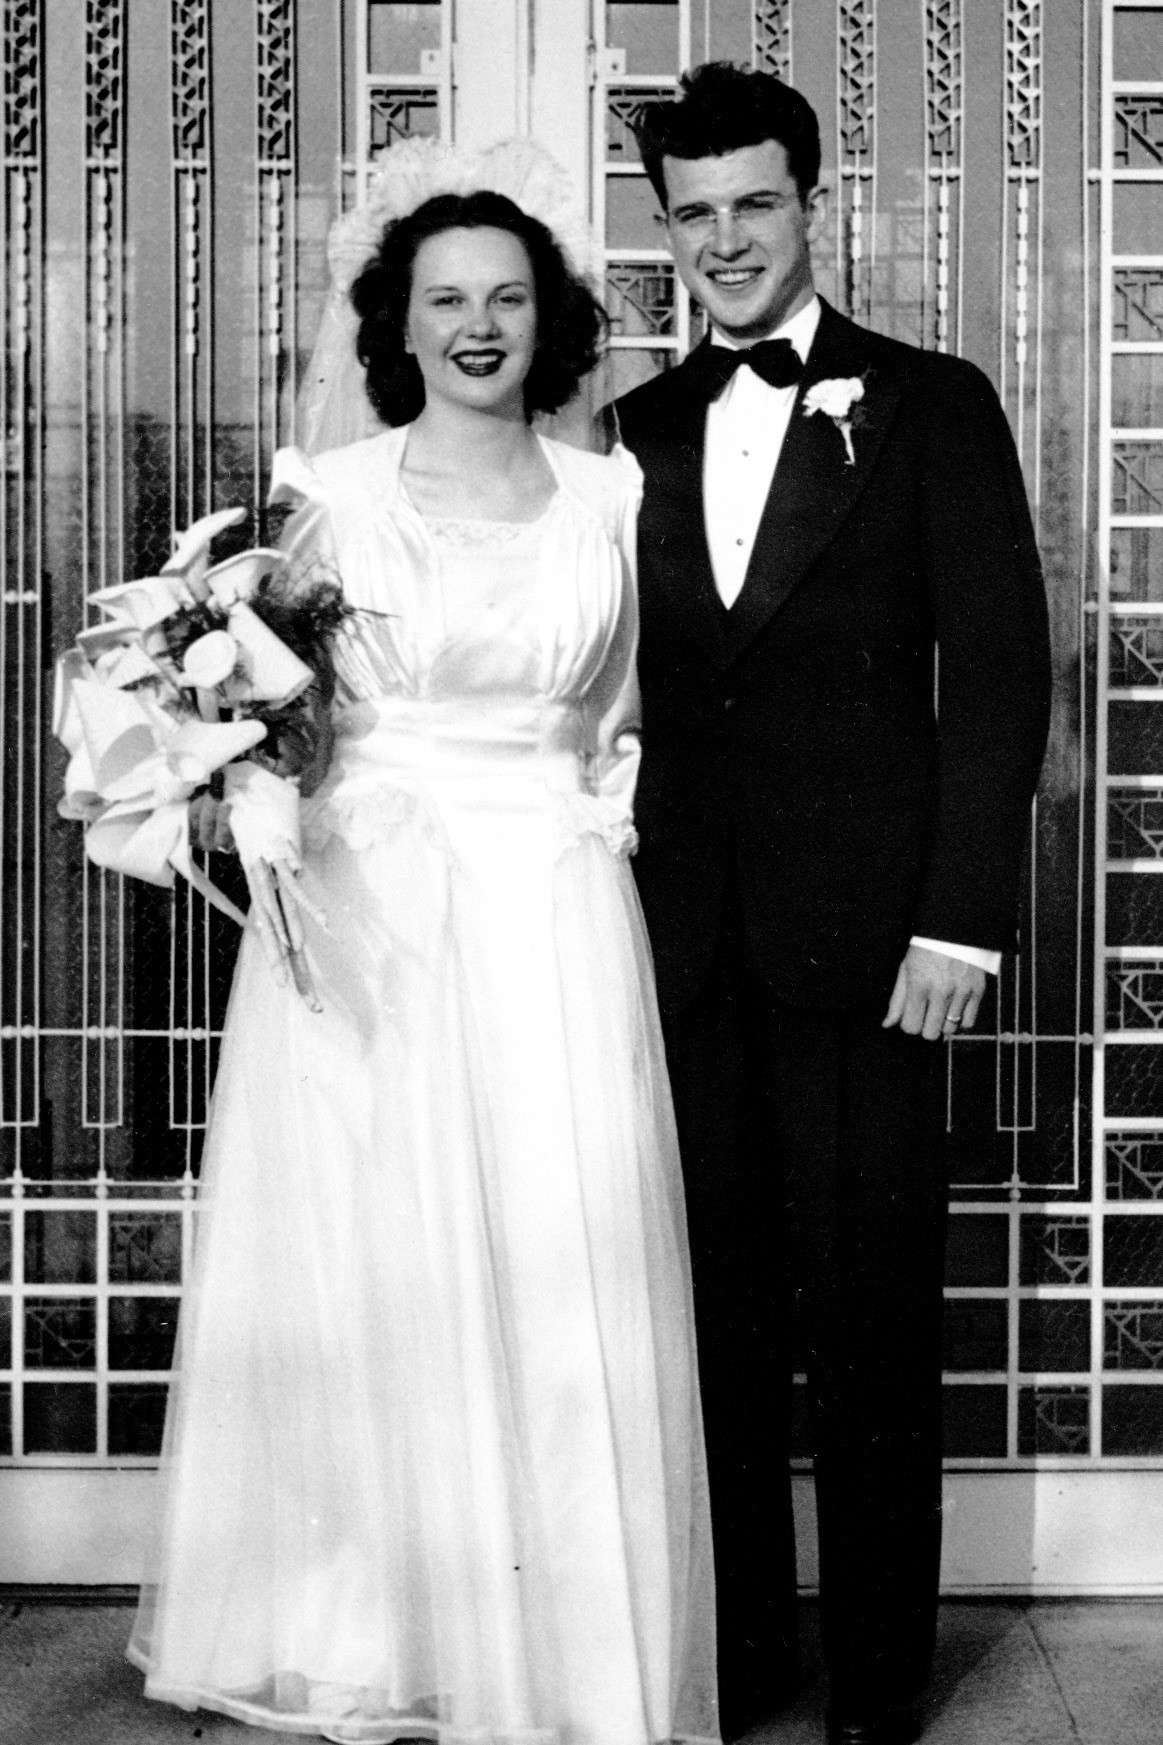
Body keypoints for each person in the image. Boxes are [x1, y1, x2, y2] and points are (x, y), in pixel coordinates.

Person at [129, 156, 718, 1745]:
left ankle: (567, 1652)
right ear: (395, 322)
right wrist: (218, 776)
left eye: (508, 298)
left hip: (551, 908)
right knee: (380, 1264)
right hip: (373, 912)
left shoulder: (612, 493)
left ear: (552, 318)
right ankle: (379, 1641)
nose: (480, 326)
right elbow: (267, 712)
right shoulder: (328, 492)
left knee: (554, 1251)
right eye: (446, 299)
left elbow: (631, 715)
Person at [612, 65, 1052, 1745]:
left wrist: (960, 927)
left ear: (814, 204)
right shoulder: (632, 433)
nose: (727, 239)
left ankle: (875, 1684)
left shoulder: (933, 404)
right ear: (668, 227)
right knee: (710, 1322)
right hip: (675, 953)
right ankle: (742, 1662)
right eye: (696, 211)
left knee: (871, 1325)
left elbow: (1002, 681)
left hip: (877, 956)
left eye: (756, 204)